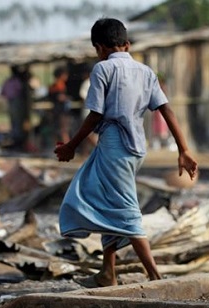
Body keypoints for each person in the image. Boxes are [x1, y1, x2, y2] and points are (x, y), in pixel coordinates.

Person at [54, 18, 198, 287]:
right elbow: (166, 109)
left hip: (114, 147)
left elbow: (95, 114)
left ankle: (155, 276)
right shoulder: (145, 71)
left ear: (99, 48)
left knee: (125, 210)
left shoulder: (102, 69)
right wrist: (184, 149)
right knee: (105, 198)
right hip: (136, 148)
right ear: (127, 45)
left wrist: (71, 146)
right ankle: (108, 272)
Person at [1, 65, 29, 151]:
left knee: (15, 122)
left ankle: (17, 141)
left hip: (11, 103)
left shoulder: (8, 81)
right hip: (17, 103)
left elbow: (2, 93)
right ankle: (18, 142)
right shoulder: (17, 81)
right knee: (18, 123)